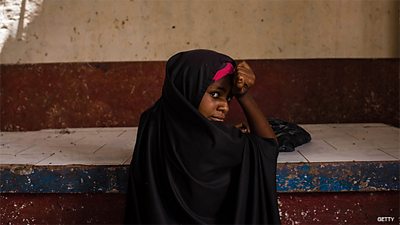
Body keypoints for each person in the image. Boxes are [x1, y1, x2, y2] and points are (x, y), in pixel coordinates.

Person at [125, 49, 281, 224]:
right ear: (189, 87)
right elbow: (267, 147)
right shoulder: (223, 143)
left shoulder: (152, 122)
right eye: (215, 94)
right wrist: (243, 95)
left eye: (229, 98)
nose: (225, 107)